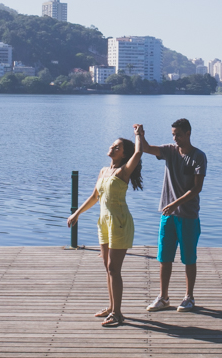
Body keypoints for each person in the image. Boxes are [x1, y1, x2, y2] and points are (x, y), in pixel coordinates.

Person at [67, 133, 143, 327]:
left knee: (113, 268)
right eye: (113, 145)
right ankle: (111, 308)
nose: (113, 147)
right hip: (104, 222)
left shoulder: (123, 171)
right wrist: (77, 214)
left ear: (124, 154)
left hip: (119, 222)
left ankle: (118, 313)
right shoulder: (103, 171)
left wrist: (138, 135)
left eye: (117, 147)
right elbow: (94, 197)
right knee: (108, 269)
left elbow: (139, 151)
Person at [135, 119, 207, 313]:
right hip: (168, 216)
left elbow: (197, 188)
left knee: (189, 258)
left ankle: (189, 297)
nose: (175, 139)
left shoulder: (198, 157)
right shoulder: (170, 151)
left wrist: (175, 203)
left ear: (188, 133)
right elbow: (147, 149)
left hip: (188, 216)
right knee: (164, 258)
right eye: (173, 135)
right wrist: (140, 135)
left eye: (178, 135)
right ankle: (163, 297)